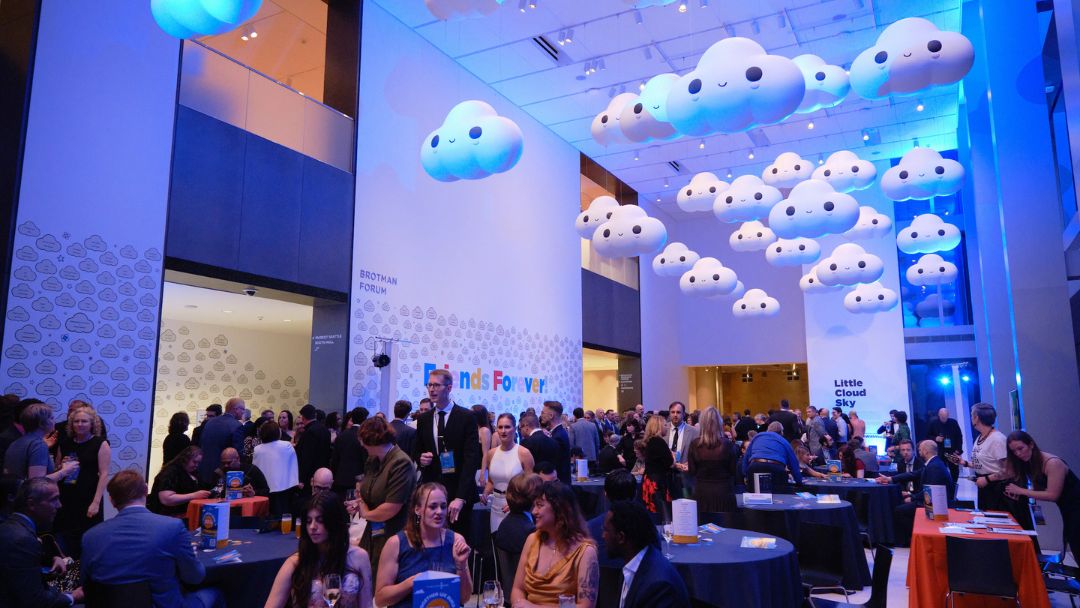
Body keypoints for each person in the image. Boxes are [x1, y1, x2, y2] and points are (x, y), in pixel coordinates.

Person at [81, 470, 223, 608]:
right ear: (145, 490)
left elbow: (87, 587)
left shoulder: (90, 537)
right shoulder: (172, 527)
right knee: (216, 592)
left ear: (111, 500)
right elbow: (195, 577)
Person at [266, 491, 374, 608]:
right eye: (308, 521)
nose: (312, 527)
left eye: (320, 520)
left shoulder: (359, 557)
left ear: (334, 522)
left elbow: (367, 604)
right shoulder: (296, 562)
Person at [374, 483, 472, 608]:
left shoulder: (456, 540)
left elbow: (464, 598)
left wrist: (461, 566)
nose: (439, 512)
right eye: (432, 507)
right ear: (417, 509)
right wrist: (410, 583)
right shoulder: (396, 543)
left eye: (443, 506)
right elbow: (381, 600)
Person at [412, 369, 482, 539]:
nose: (431, 389)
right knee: (431, 541)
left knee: (458, 543)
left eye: (436, 385)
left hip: (458, 493)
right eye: (429, 385)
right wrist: (421, 459)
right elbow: (417, 450)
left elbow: (471, 459)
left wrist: (460, 497)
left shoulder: (466, 417)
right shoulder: (424, 419)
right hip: (432, 491)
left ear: (449, 388)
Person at [511, 481, 599, 607]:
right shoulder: (532, 540)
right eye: (534, 506)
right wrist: (518, 603)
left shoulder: (585, 552)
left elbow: (586, 606)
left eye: (540, 505)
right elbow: (517, 589)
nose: (534, 511)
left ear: (561, 509)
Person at [0, 478, 83, 607]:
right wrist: (72, 597)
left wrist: (51, 559)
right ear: (32, 504)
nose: (59, 505)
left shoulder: (11, 526)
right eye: (54, 499)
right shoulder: (22, 539)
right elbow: (35, 601)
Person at [353, 417, 416, 579]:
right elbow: (366, 492)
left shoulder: (401, 463)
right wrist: (358, 503)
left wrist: (365, 512)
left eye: (362, 441)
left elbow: (391, 508)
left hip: (394, 533)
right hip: (373, 532)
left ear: (372, 441)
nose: (361, 445)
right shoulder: (372, 460)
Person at [1001, 430, 1080, 557]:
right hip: (1068, 508)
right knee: (1074, 542)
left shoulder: (1052, 463)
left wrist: (1021, 491)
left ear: (1031, 444)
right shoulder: (1031, 463)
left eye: (1021, 448)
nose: (1018, 454)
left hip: (1076, 507)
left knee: (1076, 543)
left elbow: (1053, 495)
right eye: (1014, 452)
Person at [602, 500, 689, 608]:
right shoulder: (632, 566)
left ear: (621, 537)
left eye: (606, 530)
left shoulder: (659, 586)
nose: (603, 536)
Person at [53, 405, 110, 557]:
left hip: (89, 497)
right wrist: (60, 466)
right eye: (76, 421)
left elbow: (104, 474)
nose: (79, 424)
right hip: (66, 496)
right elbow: (57, 470)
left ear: (92, 424)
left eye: (84, 421)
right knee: (66, 538)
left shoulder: (100, 443)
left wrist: (96, 502)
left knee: (88, 538)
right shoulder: (65, 443)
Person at [949, 402, 1010, 512]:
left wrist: (987, 479)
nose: (971, 417)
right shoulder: (980, 437)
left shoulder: (997, 439)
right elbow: (985, 464)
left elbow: (1008, 470)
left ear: (976, 418)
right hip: (984, 487)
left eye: (972, 415)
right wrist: (965, 463)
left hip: (997, 490)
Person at [892, 440, 955, 546]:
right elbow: (915, 475)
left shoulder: (934, 466)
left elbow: (930, 490)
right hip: (933, 500)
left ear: (926, 451)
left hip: (936, 506)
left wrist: (912, 497)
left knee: (899, 510)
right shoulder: (935, 463)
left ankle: (911, 540)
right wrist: (891, 479)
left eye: (920, 449)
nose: (919, 451)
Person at [482, 413, 535, 533]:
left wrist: (516, 504)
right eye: (500, 427)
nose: (503, 431)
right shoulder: (491, 453)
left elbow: (532, 487)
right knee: (497, 545)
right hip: (495, 506)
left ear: (514, 428)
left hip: (518, 509)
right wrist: (485, 493)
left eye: (507, 427)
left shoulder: (524, 453)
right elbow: (491, 481)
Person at [3, 402, 79, 483]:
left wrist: (60, 469)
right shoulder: (38, 445)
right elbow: (37, 482)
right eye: (51, 418)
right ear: (42, 423)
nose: (54, 421)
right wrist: (65, 471)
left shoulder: (16, 442)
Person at [687, 407, 737, 513]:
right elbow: (733, 471)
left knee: (702, 528)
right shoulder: (727, 445)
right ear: (719, 423)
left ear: (702, 423)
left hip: (702, 493)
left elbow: (692, 471)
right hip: (724, 492)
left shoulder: (694, 444)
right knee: (726, 527)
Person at [586, 469, 637, 569]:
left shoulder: (587, 529)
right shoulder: (648, 529)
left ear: (605, 495)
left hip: (600, 583)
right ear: (635, 494)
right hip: (638, 583)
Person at [494, 473, 543, 580]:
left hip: (508, 592)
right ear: (535, 499)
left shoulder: (504, 524)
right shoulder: (530, 531)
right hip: (526, 592)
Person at [253, 421, 299, 518]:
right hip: (285, 487)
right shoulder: (286, 445)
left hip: (265, 489)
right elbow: (293, 465)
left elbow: (255, 469)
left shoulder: (257, 449)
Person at [149, 446, 210, 516]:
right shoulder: (171, 472)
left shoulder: (194, 473)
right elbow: (166, 499)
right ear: (185, 459)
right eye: (194, 462)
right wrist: (194, 495)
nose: (196, 465)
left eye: (198, 463)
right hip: (168, 516)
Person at [742, 422, 801, 493]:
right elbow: (793, 464)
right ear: (781, 432)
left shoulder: (757, 437)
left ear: (768, 429)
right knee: (779, 496)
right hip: (776, 467)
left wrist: (746, 474)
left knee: (754, 495)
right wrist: (799, 482)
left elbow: (746, 457)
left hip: (755, 466)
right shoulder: (784, 441)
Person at [197, 397, 245, 483]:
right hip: (222, 473)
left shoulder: (209, 423)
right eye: (243, 409)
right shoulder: (237, 426)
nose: (243, 412)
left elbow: (201, 444)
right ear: (236, 409)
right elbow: (238, 453)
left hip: (203, 470)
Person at [296, 404, 333, 501]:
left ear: (303, 417)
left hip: (311, 476)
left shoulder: (309, 432)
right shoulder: (324, 430)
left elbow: (306, 458)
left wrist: (302, 479)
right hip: (324, 471)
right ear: (315, 415)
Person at [640, 415, 673, 515]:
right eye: (665, 425)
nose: (667, 427)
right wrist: (673, 454)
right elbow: (670, 462)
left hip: (649, 480)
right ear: (659, 427)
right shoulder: (659, 442)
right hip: (657, 483)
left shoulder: (650, 441)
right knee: (660, 512)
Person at [331, 407, 368, 495]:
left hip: (340, 478)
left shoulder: (341, 435)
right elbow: (366, 460)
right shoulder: (365, 436)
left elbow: (335, 459)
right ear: (365, 419)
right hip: (358, 480)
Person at [666, 401, 698, 498]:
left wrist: (691, 463)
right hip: (666, 475)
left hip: (686, 476)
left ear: (684, 414)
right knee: (668, 508)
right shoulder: (663, 429)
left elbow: (697, 453)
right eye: (673, 412)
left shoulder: (693, 431)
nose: (675, 415)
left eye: (678, 412)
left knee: (686, 506)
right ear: (669, 413)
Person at [926, 408, 963, 480]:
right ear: (939, 415)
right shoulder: (933, 423)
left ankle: (954, 485)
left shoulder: (953, 422)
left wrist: (959, 449)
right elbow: (927, 436)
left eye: (946, 417)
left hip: (952, 450)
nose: (944, 419)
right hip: (939, 451)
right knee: (940, 469)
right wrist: (935, 438)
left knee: (954, 470)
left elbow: (959, 436)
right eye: (942, 417)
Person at [541, 401, 572, 484]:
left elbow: (554, 463)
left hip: (558, 486)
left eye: (543, 413)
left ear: (551, 415)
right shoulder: (559, 433)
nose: (541, 415)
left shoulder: (558, 436)